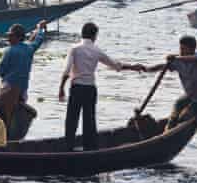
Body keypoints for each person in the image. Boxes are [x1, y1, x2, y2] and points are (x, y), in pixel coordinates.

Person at [59, 22, 143, 151]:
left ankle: (68, 148)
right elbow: (115, 65)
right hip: (90, 89)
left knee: (71, 119)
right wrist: (133, 67)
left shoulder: (75, 48)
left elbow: (66, 71)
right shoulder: (96, 50)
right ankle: (90, 148)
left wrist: (61, 89)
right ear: (94, 36)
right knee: (89, 120)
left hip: (76, 88)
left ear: (82, 33)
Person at [144, 35, 197, 128]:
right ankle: (168, 130)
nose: (181, 51)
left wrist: (176, 58)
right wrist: (147, 69)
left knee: (185, 118)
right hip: (189, 95)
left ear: (192, 49)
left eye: (183, 48)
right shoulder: (179, 62)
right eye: (180, 48)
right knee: (178, 105)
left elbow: (193, 58)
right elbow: (163, 66)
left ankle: (180, 123)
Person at [0, 21, 47, 125]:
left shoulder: (9, 51)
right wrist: (40, 29)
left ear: (17, 37)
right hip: (22, 90)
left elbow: (1, 72)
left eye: (10, 36)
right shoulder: (29, 49)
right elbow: (38, 40)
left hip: (8, 88)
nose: (8, 38)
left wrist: (4, 76)